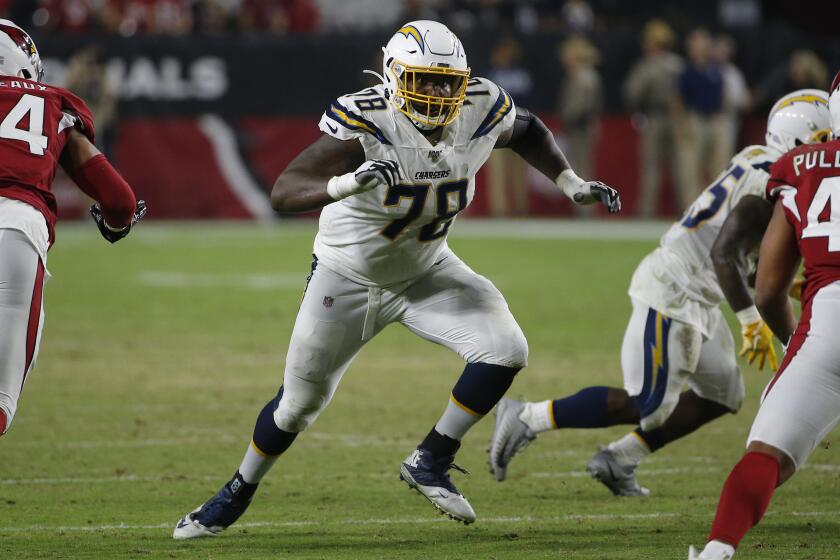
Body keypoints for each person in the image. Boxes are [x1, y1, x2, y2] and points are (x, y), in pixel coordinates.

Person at [172, 19, 621, 539]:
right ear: (392, 75)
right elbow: (284, 189)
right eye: (422, 80)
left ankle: (431, 458)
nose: (435, 92)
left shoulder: (481, 104)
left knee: (506, 349)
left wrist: (570, 183)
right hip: (348, 277)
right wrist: (345, 183)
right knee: (297, 406)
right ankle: (235, 492)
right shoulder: (369, 119)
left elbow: (528, 130)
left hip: (427, 268)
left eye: (445, 81)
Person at [488, 90, 832, 497]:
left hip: (700, 292)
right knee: (648, 404)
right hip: (675, 287)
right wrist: (751, 321)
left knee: (725, 394)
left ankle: (620, 459)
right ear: (801, 139)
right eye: (827, 140)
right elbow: (726, 254)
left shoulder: (759, 157)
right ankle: (527, 416)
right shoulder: (772, 176)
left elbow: (744, 254)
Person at [688, 72, 840, 560]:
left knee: (768, 455)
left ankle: (716, 552)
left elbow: (770, 286)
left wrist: (798, 348)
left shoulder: (802, 166)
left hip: (828, 327)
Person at [0, 19, 146, 436]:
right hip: (14, 229)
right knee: (0, 400)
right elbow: (119, 200)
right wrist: (116, 223)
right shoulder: (52, 102)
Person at [623, 19, 683, 218]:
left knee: (652, 168)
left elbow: (632, 92)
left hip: (656, 117)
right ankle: (686, 210)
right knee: (679, 167)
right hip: (676, 118)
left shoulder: (648, 65)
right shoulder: (677, 64)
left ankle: (647, 211)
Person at [672, 28, 729, 210]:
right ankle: (691, 209)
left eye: (705, 43)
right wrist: (681, 125)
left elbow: (722, 96)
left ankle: (718, 208)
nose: (704, 47)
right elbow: (677, 100)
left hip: (715, 119)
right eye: (699, 44)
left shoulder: (716, 69)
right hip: (694, 119)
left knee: (720, 165)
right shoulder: (686, 71)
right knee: (690, 166)